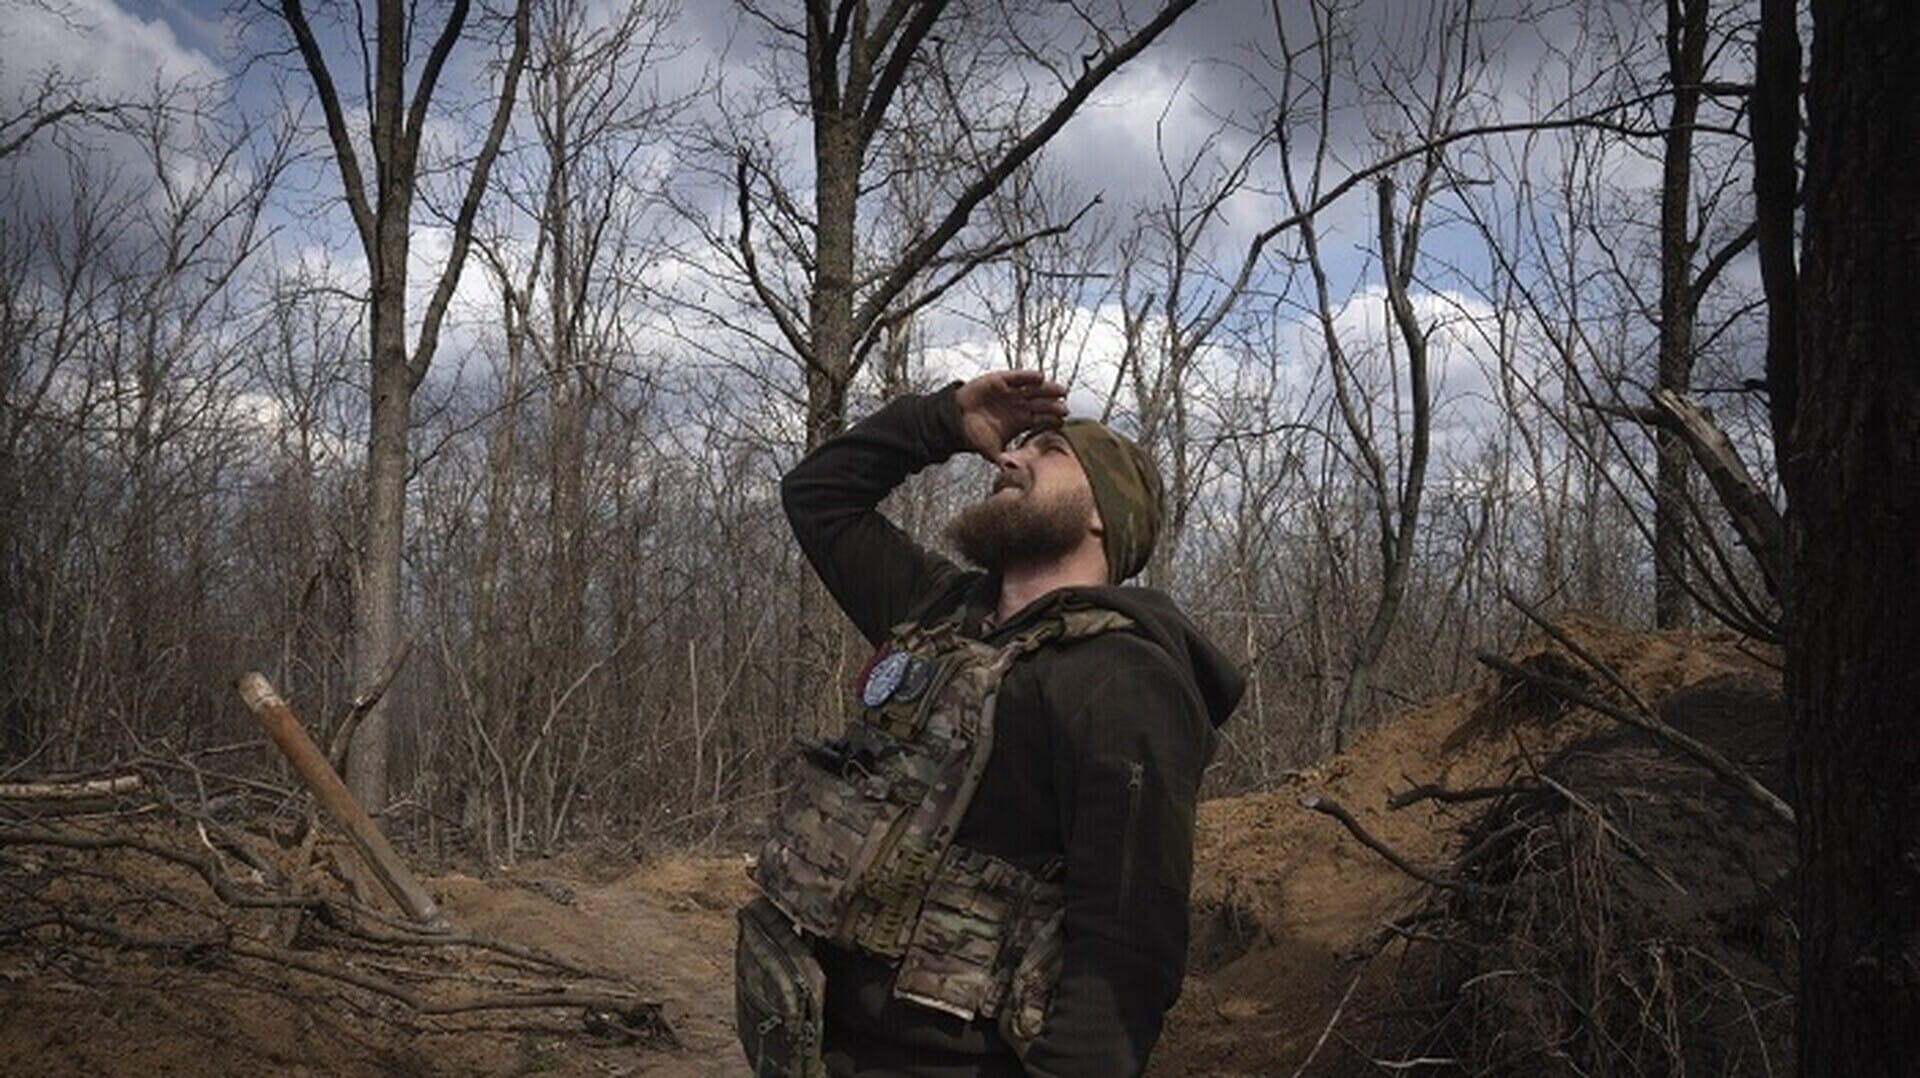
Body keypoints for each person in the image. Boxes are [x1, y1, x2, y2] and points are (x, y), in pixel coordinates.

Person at [735, 370, 1244, 1078]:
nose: (1010, 458)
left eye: (1049, 453)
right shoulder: (940, 612)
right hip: (814, 1041)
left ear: (1106, 514)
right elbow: (818, 496)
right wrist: (944, 420)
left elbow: (1126, 956)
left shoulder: (1124, 681)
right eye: (1016, 447)